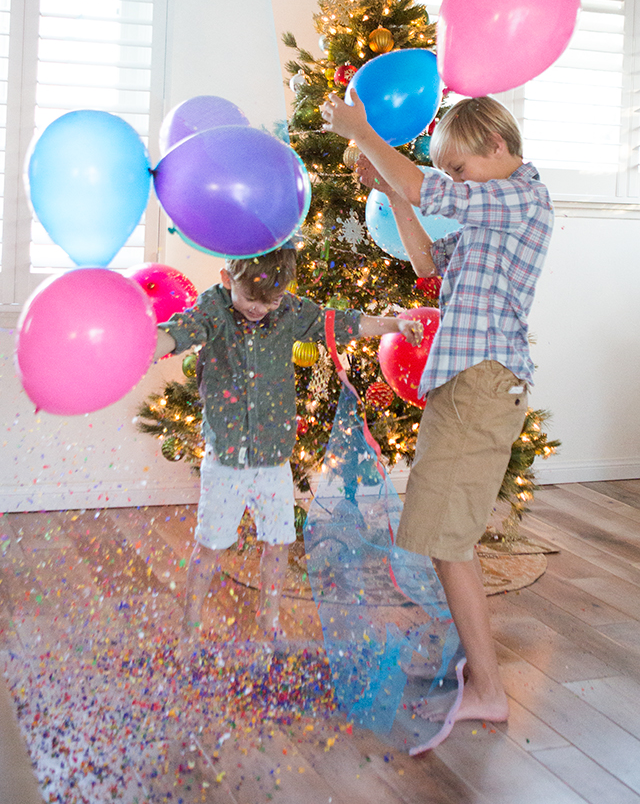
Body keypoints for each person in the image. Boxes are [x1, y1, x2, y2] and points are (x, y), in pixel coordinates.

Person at [320, 91, 553, 724]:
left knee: (449, 540)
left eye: (460, 168)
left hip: (481, 383)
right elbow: (428, 263)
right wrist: (394, 193)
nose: (454, 181)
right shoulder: (490, 215)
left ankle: (489, 689)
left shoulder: (520, 197)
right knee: (437, 530)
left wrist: (364, 133)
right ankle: (472, 665)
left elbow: (432, 192)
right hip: (464, 383)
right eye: (448, 171)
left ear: (497, 148)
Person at [154, 244, 423, 661]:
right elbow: (180, 331)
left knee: (278, 542)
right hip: (226, 459)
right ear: (228, 281)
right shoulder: (213, 308)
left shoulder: (289, 312)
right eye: (251, 299)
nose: (261, 309)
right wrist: (153, 343)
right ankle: (189, 631)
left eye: (273, 300)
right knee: (210, 545)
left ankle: (269, 623)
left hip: (273, 458)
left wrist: (394, 324)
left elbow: (342, 323)